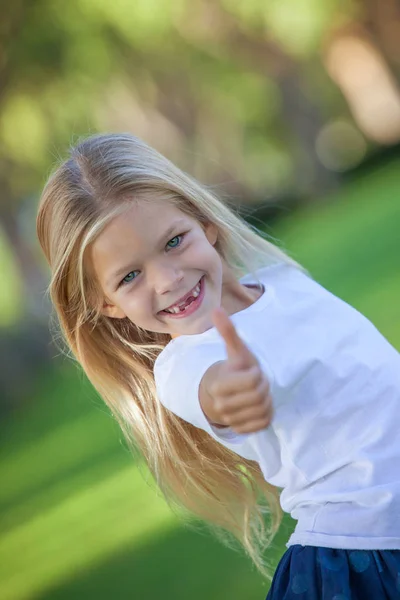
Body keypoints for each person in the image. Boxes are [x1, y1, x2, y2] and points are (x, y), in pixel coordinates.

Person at [36, 132, 400, 599]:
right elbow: (213, 392)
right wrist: (234, 393)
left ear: (205, 222)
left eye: (173, 241)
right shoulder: (186, 367)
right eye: (130, 276)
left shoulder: (283, 281)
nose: (168, 279)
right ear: (106, 305)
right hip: (361, 565)